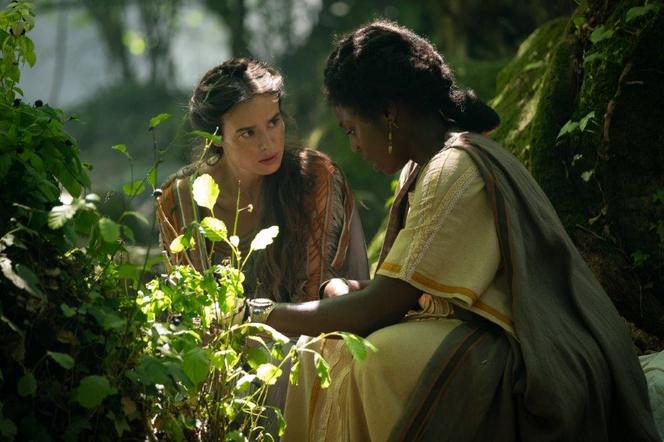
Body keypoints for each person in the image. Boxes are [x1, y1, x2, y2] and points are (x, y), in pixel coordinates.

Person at [258, 20, 659, 441]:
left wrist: (263, 315)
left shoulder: (454, 168)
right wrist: (344, 289)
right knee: (320, 352)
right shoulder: (425, 167)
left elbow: (382, 308)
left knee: (375, 360)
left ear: (388, 113)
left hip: (531, 361)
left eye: (351, 129)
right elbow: (413, 291)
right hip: (480, 340)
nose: (354, 145)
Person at [156, 58, 369, 302]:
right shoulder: (179, 201)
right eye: (248, 133)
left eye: (273, 122)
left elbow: (320, 297)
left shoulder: (314, 178)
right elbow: (189, 305)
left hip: (318, 325)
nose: (267, 143)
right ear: (215, 137)